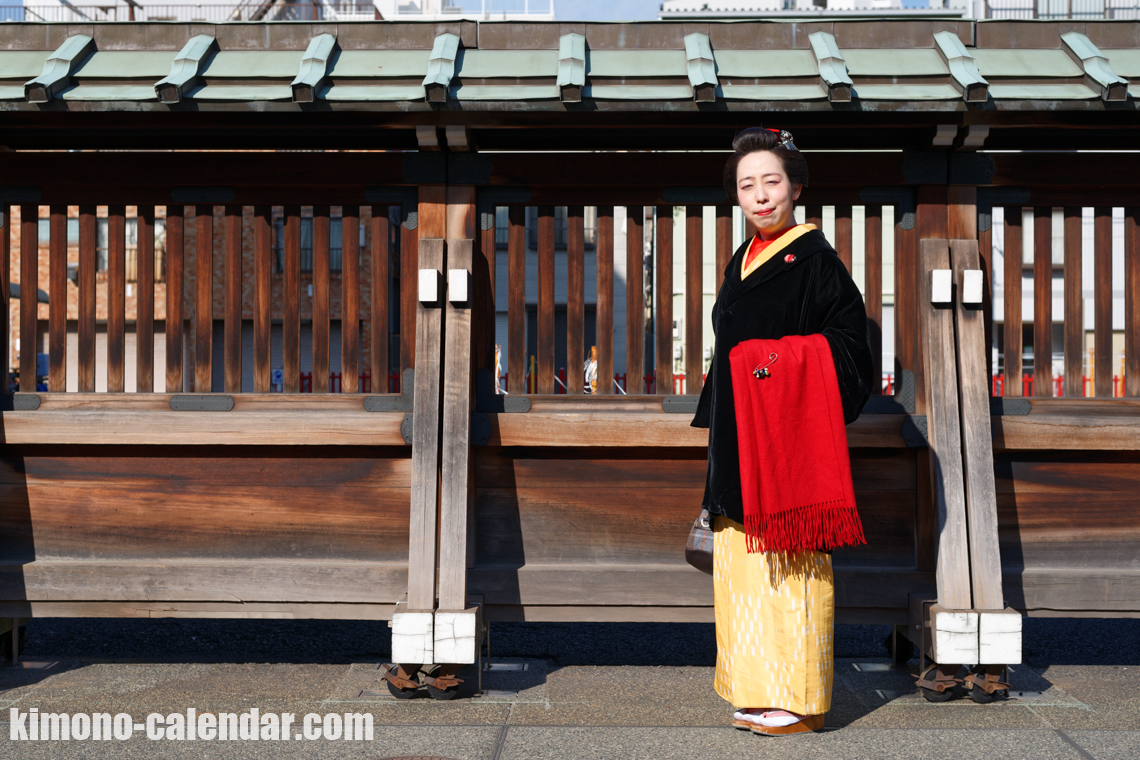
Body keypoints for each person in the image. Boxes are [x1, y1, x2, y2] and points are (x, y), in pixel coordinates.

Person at [691, 127, 875, 736]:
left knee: (791, 565)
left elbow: (851, 351)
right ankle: (755, 686)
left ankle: (801, 700)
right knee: (744, 564)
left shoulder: (817, 261)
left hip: (788, 436)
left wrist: (765, 365)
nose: (760, 196)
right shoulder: (739, 261)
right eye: (747, 186)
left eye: (772, 181)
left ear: (796, 187)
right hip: (741, 434)